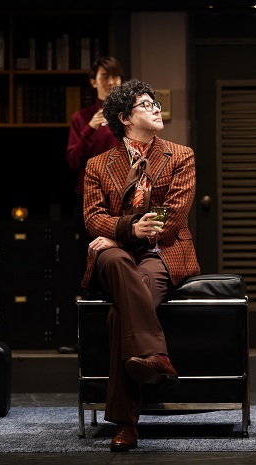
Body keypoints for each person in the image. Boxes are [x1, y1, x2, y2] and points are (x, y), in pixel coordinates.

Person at [80, 78, 201, 452]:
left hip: (161, 252)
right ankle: (157, 355)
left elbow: (174, 216)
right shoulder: (98, 164)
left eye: (156, 103)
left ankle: (126, 423)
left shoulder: (180, 156)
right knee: (114, 259)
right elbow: (92, 216)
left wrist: (123, 233)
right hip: (116, 255)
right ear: (124, 118)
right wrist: (127, 230)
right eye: (146, 105)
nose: (156, 109)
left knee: (121, 313)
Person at [59, 56, 125, 354]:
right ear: (93, 81)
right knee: (87, 266)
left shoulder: (127, 114)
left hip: (123, 202)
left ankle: (117, 335)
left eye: (116, 76)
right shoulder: (82, 117)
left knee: (120, 264)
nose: (111, 82)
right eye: (105, 76)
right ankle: (86, 339)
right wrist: (90, 127)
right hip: (89, 201)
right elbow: (73, 161)